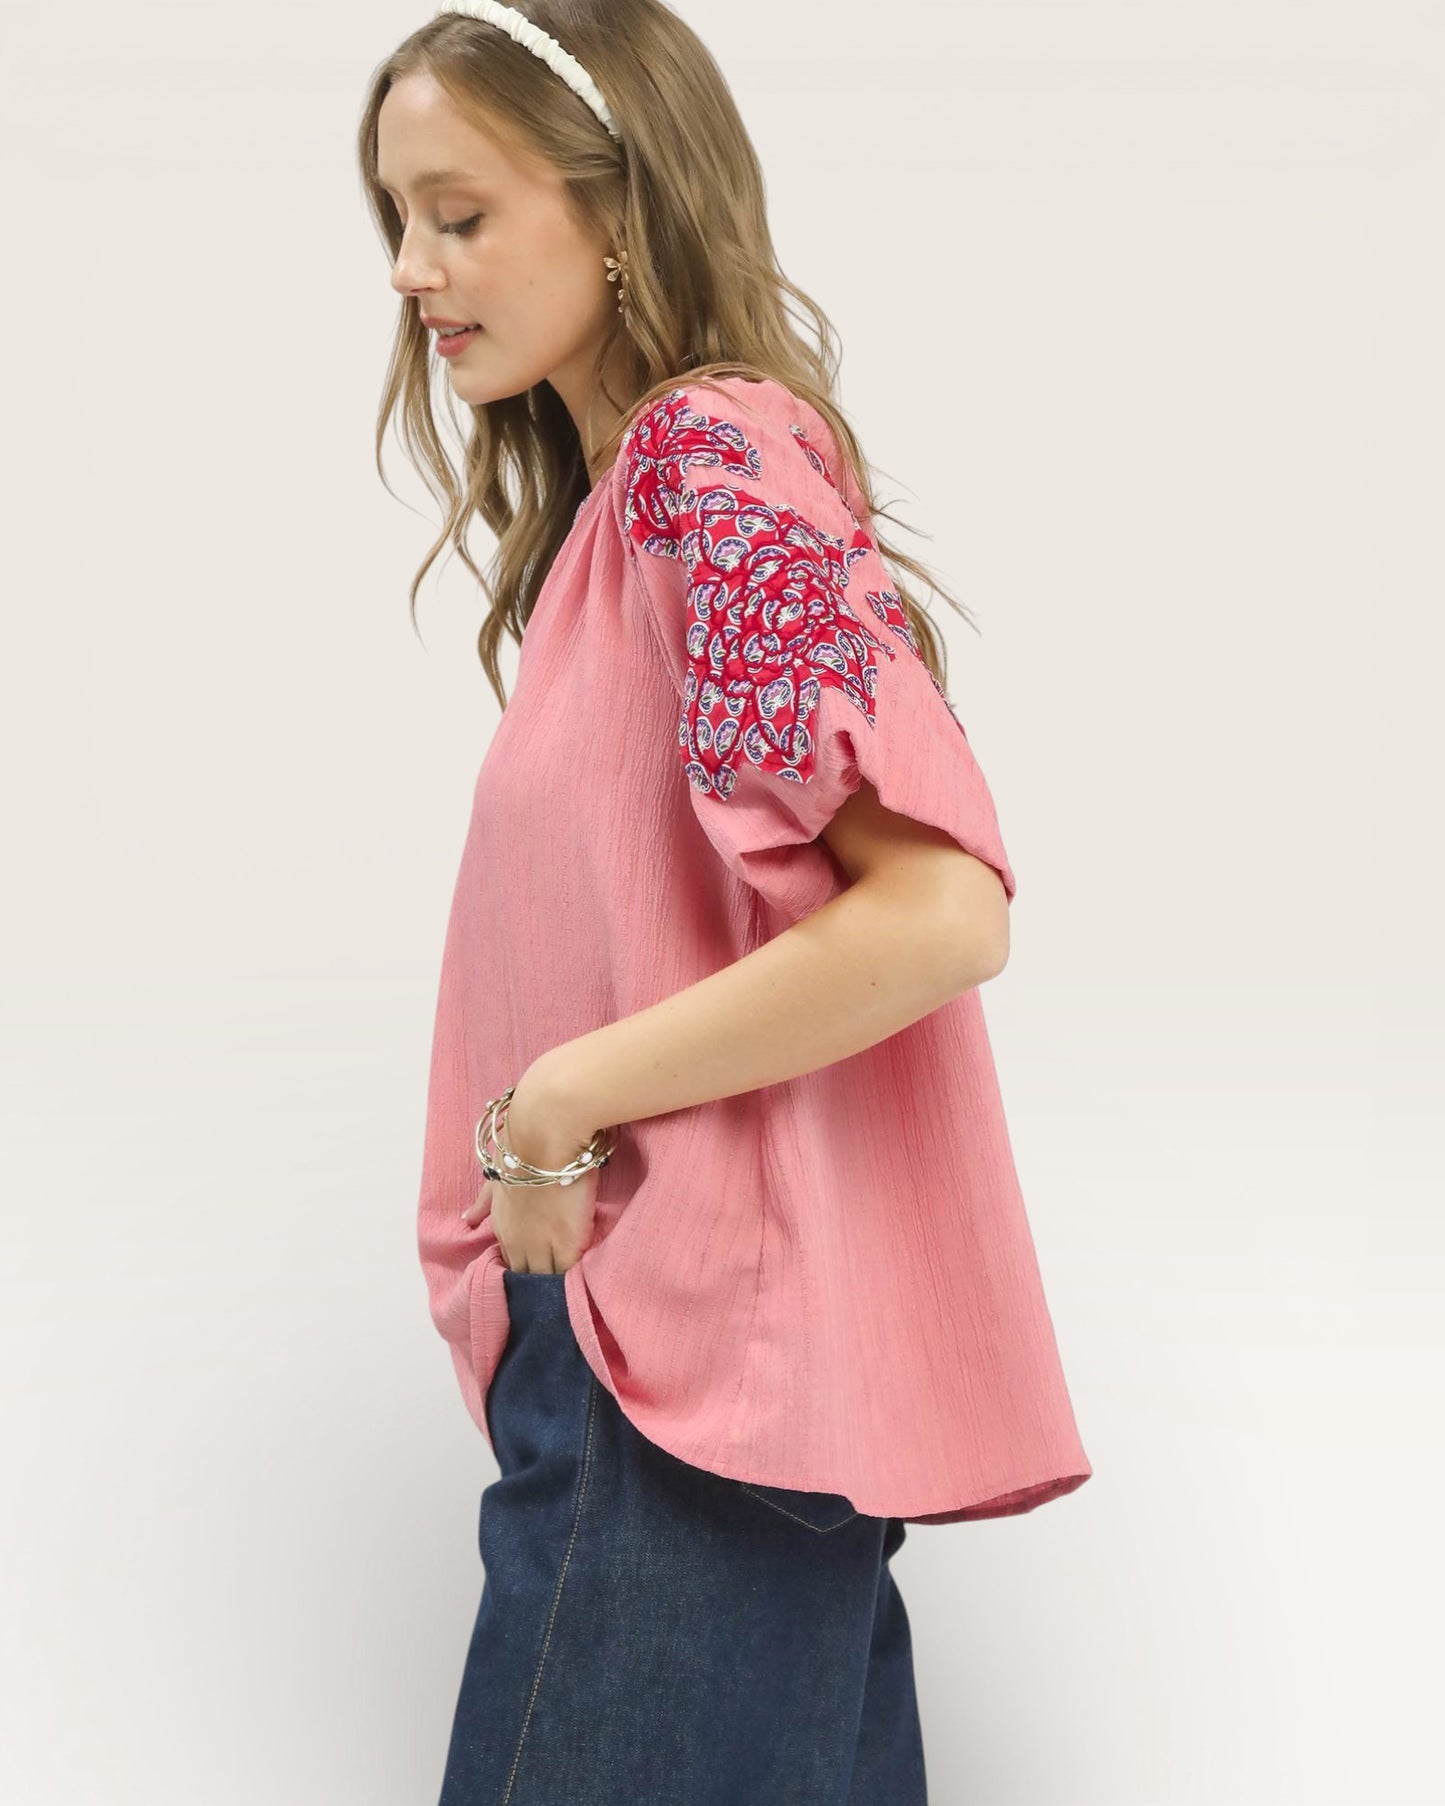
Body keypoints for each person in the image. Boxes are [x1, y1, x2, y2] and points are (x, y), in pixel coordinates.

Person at [360, 3, 1093, 1800]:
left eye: (460, 212)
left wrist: (557, 1102)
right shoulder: (626, 521)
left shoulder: (709, 461)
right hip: (671, 1361)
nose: (410, 269)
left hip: (678, 1375)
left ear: (616, 211)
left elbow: (937, 908)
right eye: (396, 219)